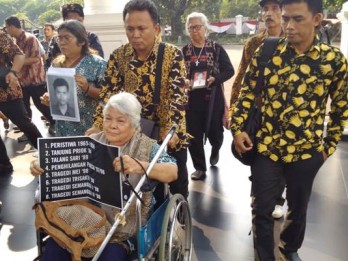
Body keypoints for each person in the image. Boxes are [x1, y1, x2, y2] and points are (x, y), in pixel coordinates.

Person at [231, 0, 348, 260]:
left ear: (317, 19)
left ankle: (289, 246)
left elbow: (341, 110)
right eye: (285, 19)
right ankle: (264, 255)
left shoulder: (333, 61)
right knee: (261, 208)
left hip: (306, 151)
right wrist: (238, 128)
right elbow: (246, 95)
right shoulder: (267, 51)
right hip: (266, 148)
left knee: (298, 207)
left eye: (297, 19)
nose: (288, 26)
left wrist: (326, 149)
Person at [30, 92, 178, 261]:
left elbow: (172, 172)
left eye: (121, 120)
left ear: (135, 125)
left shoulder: (147, 147)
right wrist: (43, 167)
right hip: (84, 218)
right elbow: (63, 167)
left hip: (121, 228)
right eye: (108, 118)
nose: (112, 125)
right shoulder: (92, 141)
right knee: (54, 251)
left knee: (111, 255)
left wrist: (141, 166)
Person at [86, 0, 191, 199]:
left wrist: (171, 129)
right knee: (141, 183)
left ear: (156, 28)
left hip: (167, 128)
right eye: (130, 29)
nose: (135, 34)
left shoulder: (172, 54)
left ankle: (179, 219)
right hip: (136, 132)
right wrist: (99, 124)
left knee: (176, 178)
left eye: (141, 28)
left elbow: (178, 96)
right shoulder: (119, 56)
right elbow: (108, 95)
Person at [230, 0, 286, 219]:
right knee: (258, 153)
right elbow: (242, 78)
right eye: (266, 9)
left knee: (280, 157)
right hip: (258, 112)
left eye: (275, 9)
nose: (269, 13)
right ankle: (258, 191)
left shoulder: (293, 42)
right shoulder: (253, 43)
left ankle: (278, 198)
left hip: (284, 115)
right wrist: (234, 111)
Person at [182, 12, 234, 181]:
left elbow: (229, 70)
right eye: (191, 28)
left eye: (198, 27)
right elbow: (177, 75)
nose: (195, 31)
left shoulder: (216, 48)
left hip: (213, 100)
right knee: (193, 135)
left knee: (216, 133)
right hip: (192, 101)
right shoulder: (184, 51)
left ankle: (216, 148)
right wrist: (185, 81)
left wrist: (215, 78)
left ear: (205, 28)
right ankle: (199, 168)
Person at [41, 20, 106, 136]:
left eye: (67, 38)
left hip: (90, 130)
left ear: (81, 41)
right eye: (59, 38)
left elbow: (109, 97)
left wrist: (88, 89)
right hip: (63, 129)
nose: (62, 43)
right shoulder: (57, 64)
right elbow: (55, 92)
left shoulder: (97, 64)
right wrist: (49, 98)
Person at [0, 29, 43, 175]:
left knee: (24, 123)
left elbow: (18, 55)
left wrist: (13, 72)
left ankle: (48, 155)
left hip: (6, 89)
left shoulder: (0, 35)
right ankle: (3, 164)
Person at [4, 16, 55, 136]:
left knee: (41, 104)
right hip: (22, 81)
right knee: (25, 107)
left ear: (12, 26)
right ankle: (28, 131)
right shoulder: (15, 41)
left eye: (7, 27)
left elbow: (35, 58)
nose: (6, 30)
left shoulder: (29, 38)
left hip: (35, 79)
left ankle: (54, 123)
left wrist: (15, 64)